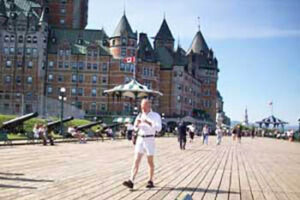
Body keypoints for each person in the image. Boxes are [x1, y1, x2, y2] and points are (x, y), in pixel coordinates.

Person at [122, 99, 162, 189]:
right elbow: (135, 129)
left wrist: (148, 122)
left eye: (144, 107)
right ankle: (131, 180)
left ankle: (150, 180)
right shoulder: (139, 115)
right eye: (141, 107)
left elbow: (159, 128)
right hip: (140, 139)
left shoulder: (155, 116)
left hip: (149, 139)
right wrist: (136, 125)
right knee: (136, 160)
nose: (142, 109)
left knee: (150, 162)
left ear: (149, 106)